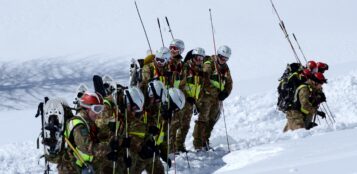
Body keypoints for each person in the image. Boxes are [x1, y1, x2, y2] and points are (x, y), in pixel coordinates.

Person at [193, 45, 233, 151]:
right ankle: (198, 144)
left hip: (217, 99)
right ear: (218, 55)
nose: (223, 60)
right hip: (206, 97)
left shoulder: (225, 67)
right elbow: (204, 80)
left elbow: (229, 82)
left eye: (226, 58)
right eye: (221, 57)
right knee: (203, 120)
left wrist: (225, 93)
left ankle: (205, 140)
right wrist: (215, 92)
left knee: (212, 120)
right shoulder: (209, 64)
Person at [58, 91, 109, 174]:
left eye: (101, 108)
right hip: (72, 169)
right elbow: (87, 147)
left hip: (84, 166)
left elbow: (97, 137)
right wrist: (109, 148)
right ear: (87, 108)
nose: (99, 113)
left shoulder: (88, 121)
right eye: (97, 109)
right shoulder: (79, 125)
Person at [171, 47, 206, 152]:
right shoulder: (186, 67)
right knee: (175, 123)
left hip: (191, 102)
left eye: (201, 58)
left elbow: (200, 88)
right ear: (193, 57)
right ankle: (170, 147)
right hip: (181, 101)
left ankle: (180, 146)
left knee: (185, 125)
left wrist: (197, 103)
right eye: (197, 58)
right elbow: (180, 84)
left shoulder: (200, 71)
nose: (199, 60)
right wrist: (187, 97)